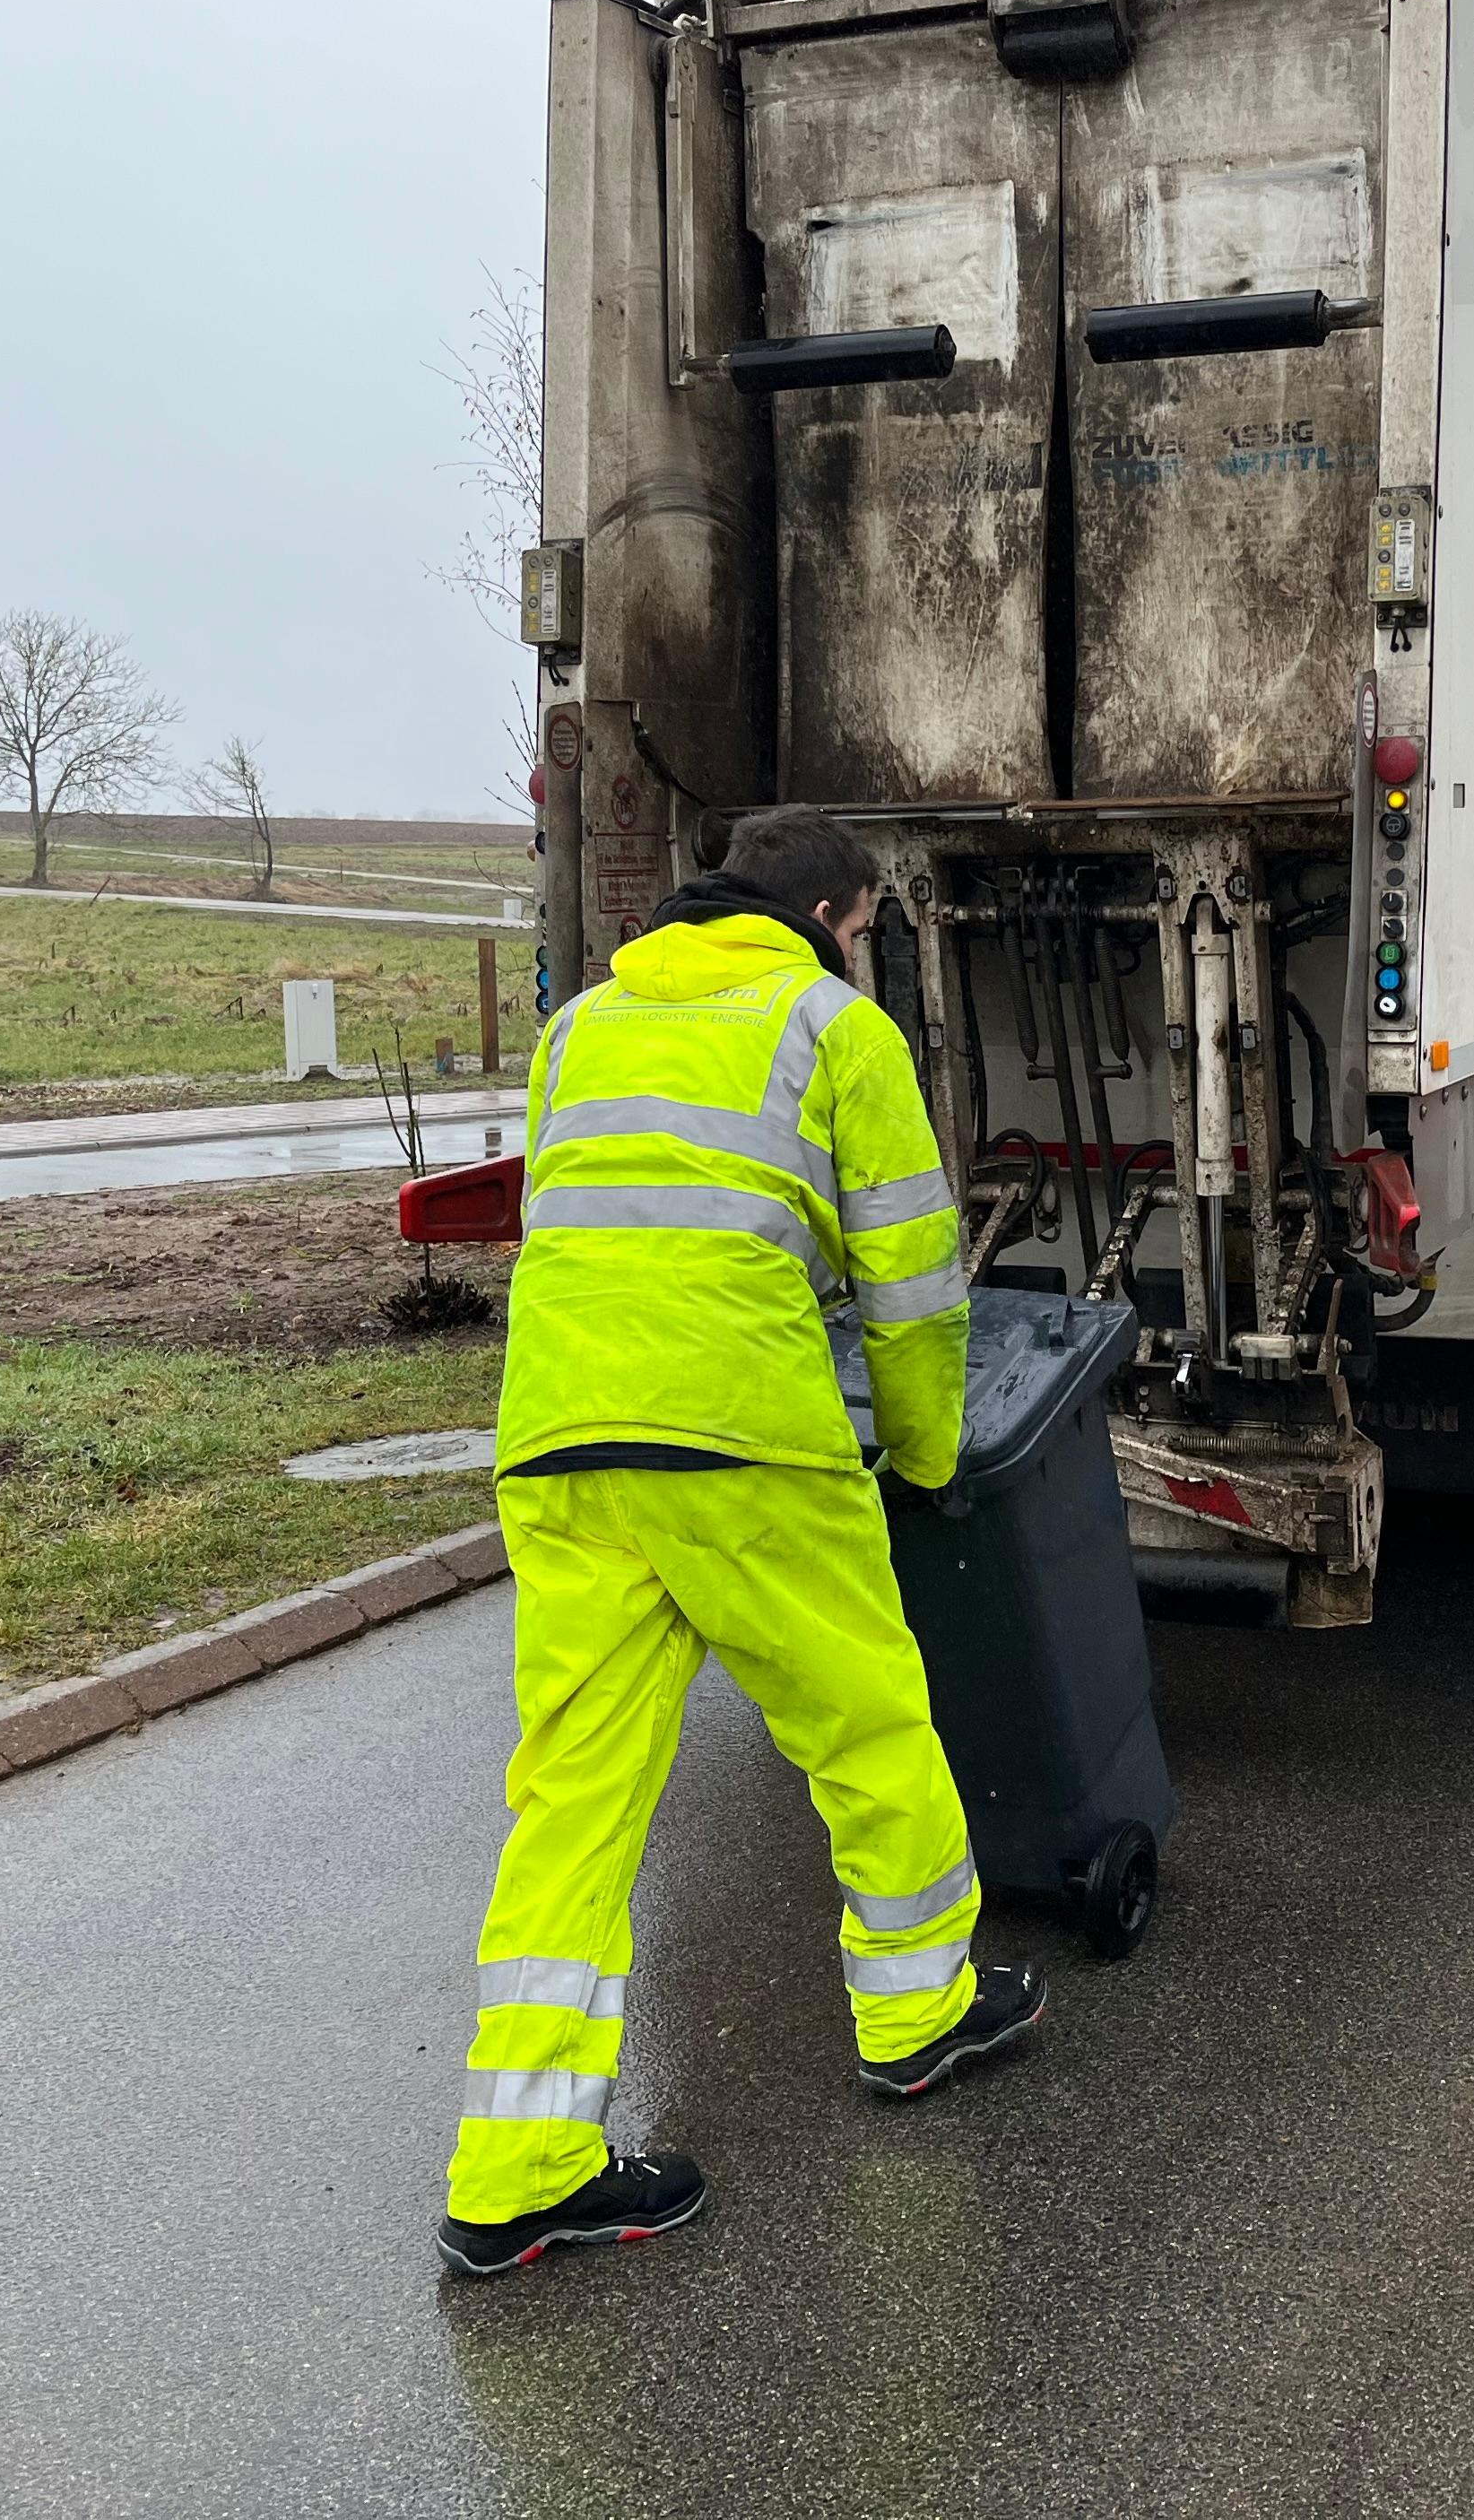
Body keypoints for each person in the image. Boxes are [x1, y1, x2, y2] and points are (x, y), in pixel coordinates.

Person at [438, 805, 1046, 2279]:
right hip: (745, 1445)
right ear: (839, 917)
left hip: (563, 1447)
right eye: (864, 933)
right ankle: (918, 2014)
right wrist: (923, 1455)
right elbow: (912, 1287)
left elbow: (587, 1223)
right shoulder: (835, 1031)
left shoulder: (580, 1028)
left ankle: (515, 2170)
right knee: (869, 1722)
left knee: (573, 1801)